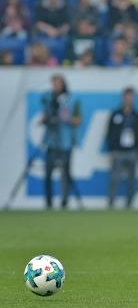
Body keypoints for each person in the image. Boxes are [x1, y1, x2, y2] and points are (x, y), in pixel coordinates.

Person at [40, 74, 82, 209]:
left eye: (58, 83)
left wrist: (66, 119)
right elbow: (45, 115)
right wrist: (45, 119)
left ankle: (64, 202)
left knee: (66, 174)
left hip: (66, 142)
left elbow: (78, 120)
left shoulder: (72, 99)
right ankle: (49, 202)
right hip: (51, 141)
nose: (56, 86)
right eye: (54, 83)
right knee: (48, 173)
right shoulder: (48, 98)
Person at [106, 87, 138, 209]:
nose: (128, 99)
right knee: (114, 179)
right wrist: (112, 148)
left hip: (132, 151)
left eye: (131, 97)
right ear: (123, 98)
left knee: (132, 180)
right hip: (118, 151)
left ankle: (129, 204)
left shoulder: (137, 116)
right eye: (126, 97)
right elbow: (109, 132)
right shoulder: (116, 114)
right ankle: (111, 203)